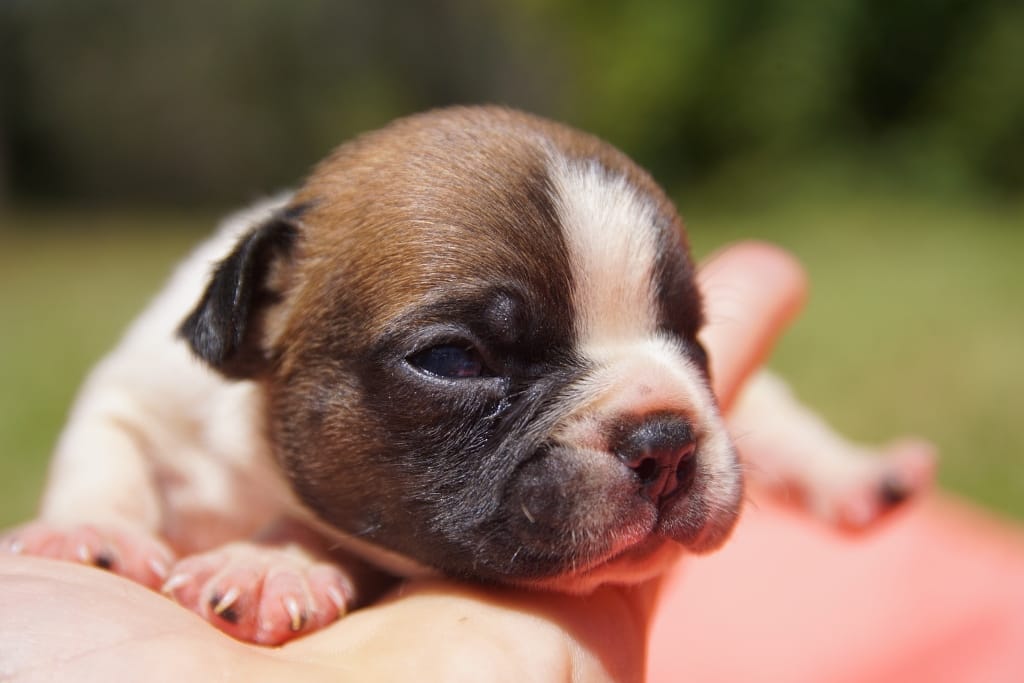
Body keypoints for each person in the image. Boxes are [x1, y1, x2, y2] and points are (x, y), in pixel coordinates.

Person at [4, 242, 1021, 682]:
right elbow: (122, 413)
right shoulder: (204, 362)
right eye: (459, 363)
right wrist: (98, 510)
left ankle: (829, 466)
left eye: (688, 339)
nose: (661, 435)